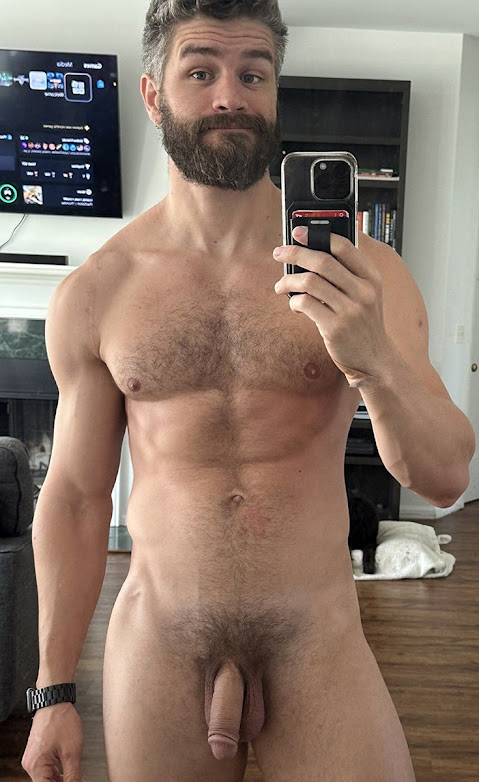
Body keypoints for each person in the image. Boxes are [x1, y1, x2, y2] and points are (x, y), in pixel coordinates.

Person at [21, 1, 476, 781]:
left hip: (315, 636)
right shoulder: (98, 291)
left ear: (274, 92)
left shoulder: (366, 274)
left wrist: (371, 358)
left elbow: (443, 477)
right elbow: (74, 497)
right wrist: (52, 691)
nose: (229, 95)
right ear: (153, 94)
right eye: (200, 71)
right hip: (160, 640)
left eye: (253, 74)